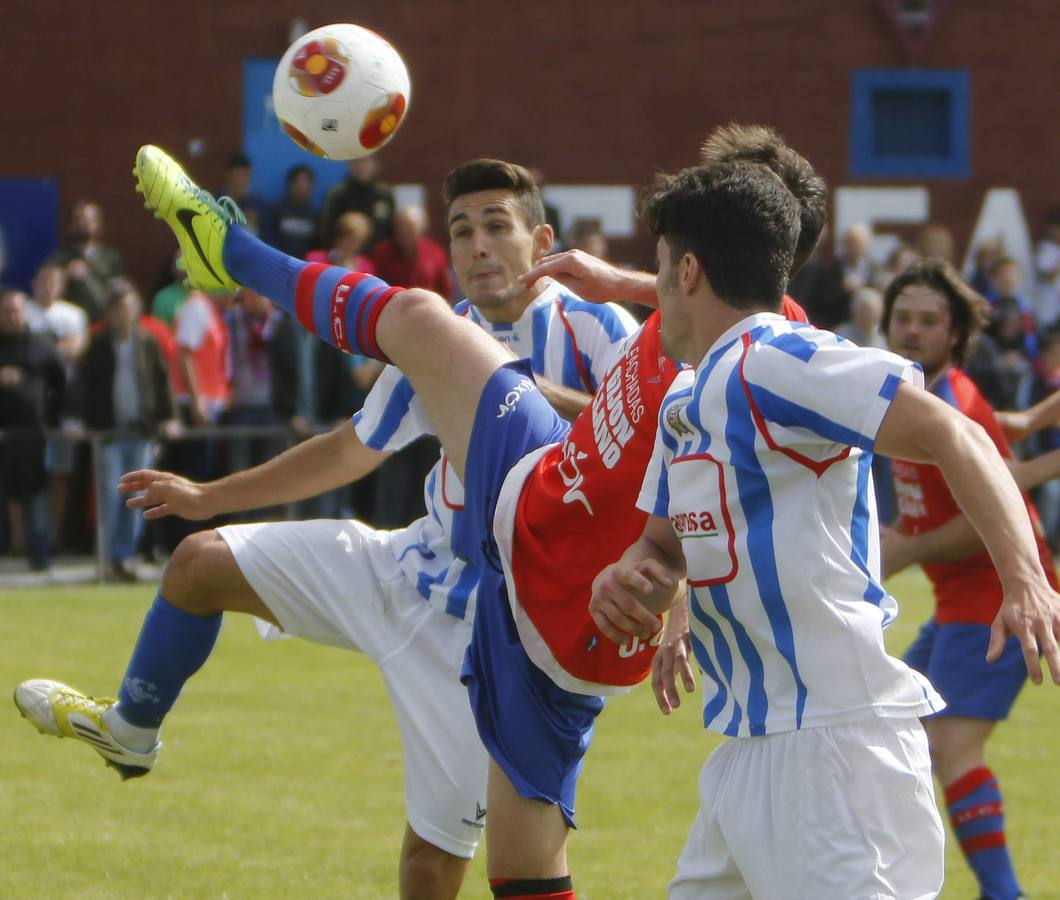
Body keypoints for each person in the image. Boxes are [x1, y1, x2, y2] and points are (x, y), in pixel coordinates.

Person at [15, 155, 637, 900]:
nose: (476, 246)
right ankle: (130, 730)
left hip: (493, 629)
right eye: (462, 228)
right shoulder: (443, 331)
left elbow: (649, 434)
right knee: (196, 564)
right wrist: (211, 495)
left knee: (431, 868)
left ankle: (231, 251)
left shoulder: (598, 327)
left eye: (496, 226)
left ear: (542, 244)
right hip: (405, 569)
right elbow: (349, 448)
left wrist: (525, 385)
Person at [591, 175, 1060, 896]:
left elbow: (954, 432)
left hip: (834, 749)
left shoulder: (778, 361)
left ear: (687, 271)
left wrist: (1024, 577)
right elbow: (661, 547)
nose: (655, 287)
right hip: (746, 750)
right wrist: (631, 577)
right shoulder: (686, 397)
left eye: (659, 266)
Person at [877, 260, 1059, 900]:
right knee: (896, 735)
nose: (912, 331)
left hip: (998, 593)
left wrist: (904, 549)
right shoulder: (925, 391)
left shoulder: (949, 397)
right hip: (960, 599)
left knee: (950, 747)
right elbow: (1000, 431)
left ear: (954, 336)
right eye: (903, 318)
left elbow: (992, 495)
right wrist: (1036, 419)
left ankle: (1003, 893)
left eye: (929, 321)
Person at [65, 279, 178, 580]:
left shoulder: (147, 341)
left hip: (141, 432)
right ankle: (106, 560)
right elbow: (81, 384)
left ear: (136, 310)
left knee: (136, 498)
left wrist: (169, 417)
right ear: (109, 312)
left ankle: (124, 557)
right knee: (108, 497)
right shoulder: (98, 344)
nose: (123, 315)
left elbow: (161, 380)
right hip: (109, 433)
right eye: (117, 309)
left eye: (127, 308)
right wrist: (74, 417)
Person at [0, 289, 65, 570]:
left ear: (24, 313)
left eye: (16, 311)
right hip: (2, 433)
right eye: (6, 312)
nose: (12, 317)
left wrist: (51, 419)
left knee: (37, 494)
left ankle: (40, 557)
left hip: (33, 435)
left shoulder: (41, 345)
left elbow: (59, 383)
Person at [46, 200, 124, 322]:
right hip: (71, 322)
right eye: (78, 220)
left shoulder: (111, 257)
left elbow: (120, 291)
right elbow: (47, 289)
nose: (84, 224)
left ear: (99, 224)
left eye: (89, 220)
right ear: (71, 225)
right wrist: (65, 274)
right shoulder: (60, 257)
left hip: (104, 322)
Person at [319, 156, 395, 249]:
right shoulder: (337, 195)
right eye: (356, 161)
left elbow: (390, 230)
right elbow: (325, 230)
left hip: (377, 257)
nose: (361, 166)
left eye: (365, 161)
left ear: (374, 163)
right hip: (344, 257)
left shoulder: (384, 195)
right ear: (349, 165)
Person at [267, 164, 318, 260]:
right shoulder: (277, 210)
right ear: (290, 184)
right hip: (279, 262)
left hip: (306, 265)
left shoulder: (315, 215)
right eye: (297, 181)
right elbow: (270, 239)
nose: (301, 186)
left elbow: (317, 245)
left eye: (305, 182)